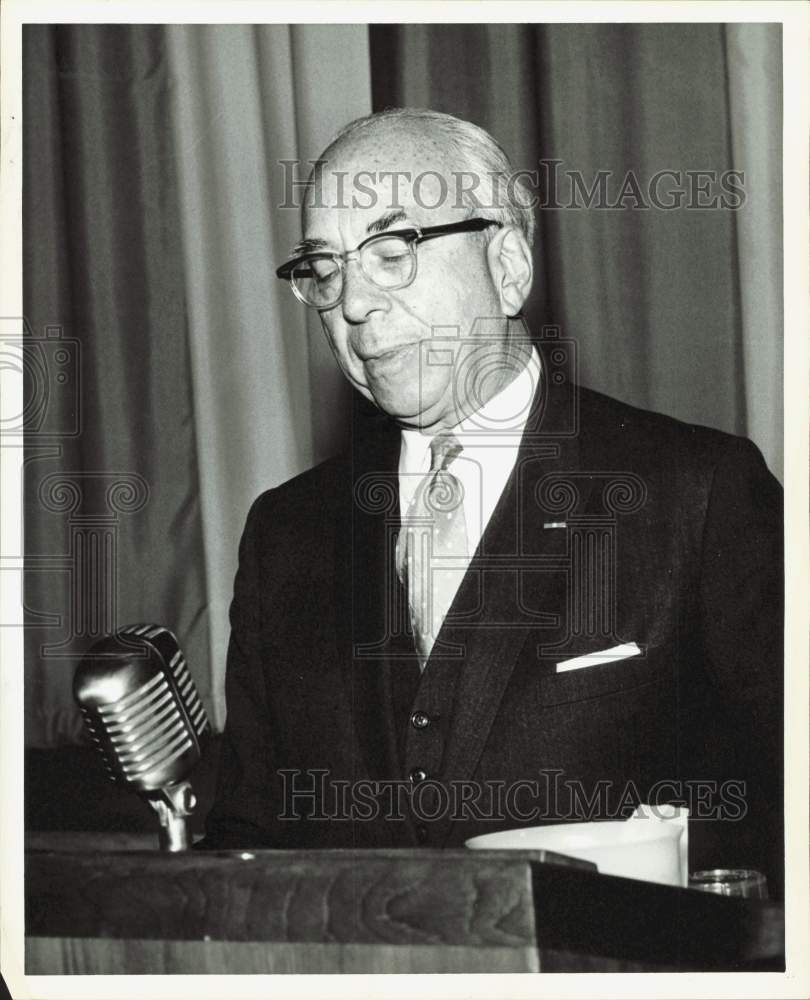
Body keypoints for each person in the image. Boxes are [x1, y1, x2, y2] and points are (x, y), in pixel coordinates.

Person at [200, 109, 783, 896]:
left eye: (392, 250)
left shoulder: (697, 493)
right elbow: (247, 838)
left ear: (507, 264)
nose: (354, 304)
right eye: (326, 269)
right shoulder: (286, 534)